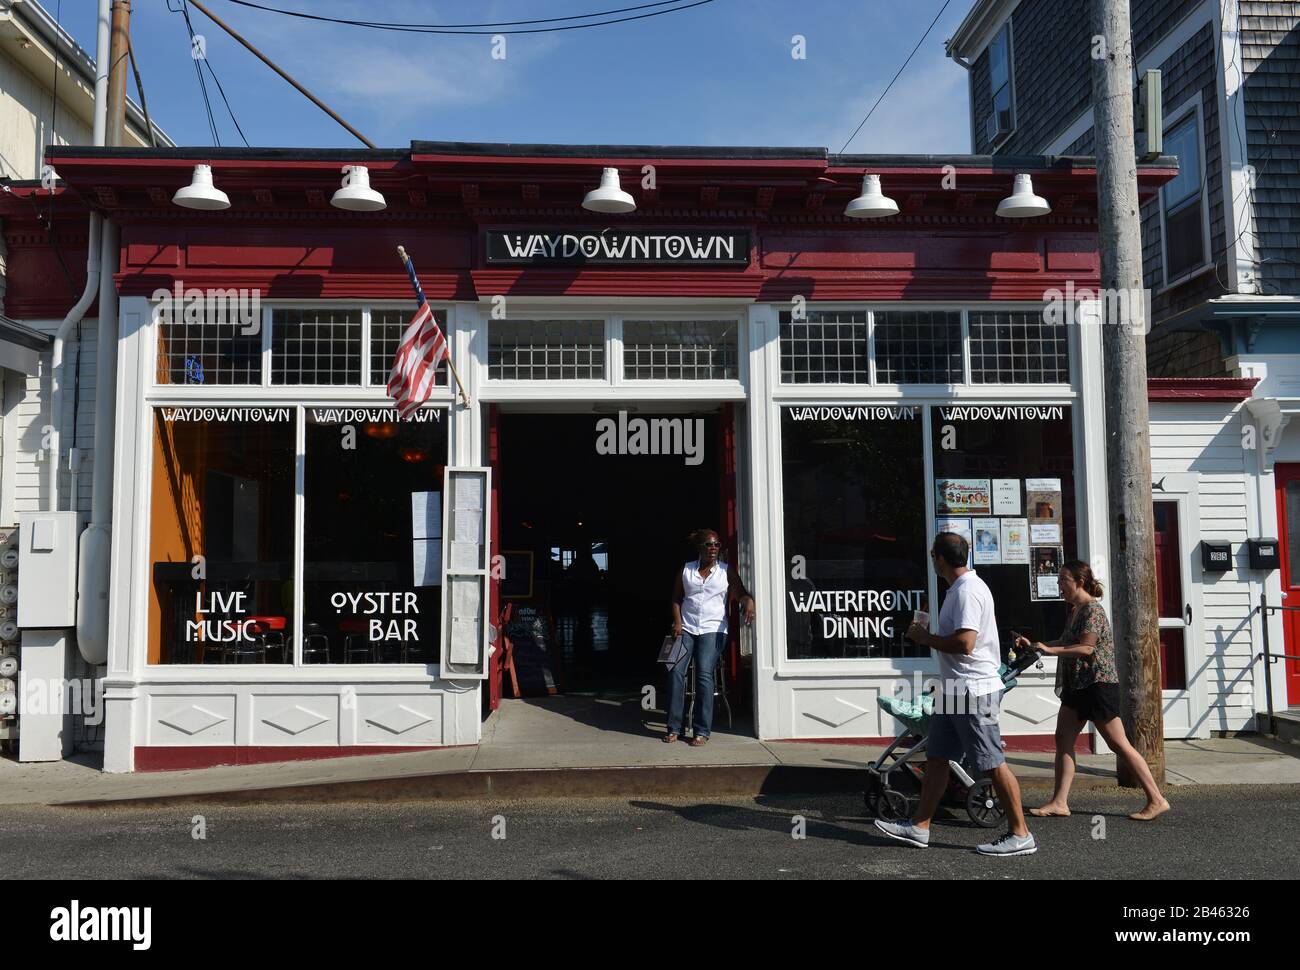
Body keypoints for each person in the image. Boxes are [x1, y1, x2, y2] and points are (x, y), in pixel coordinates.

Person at [875, 532, 1037, 857]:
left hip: (974, 691)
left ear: (940, 559)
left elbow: (966, 643)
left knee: (992, 762)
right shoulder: (958, 589)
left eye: (933, 556)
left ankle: (1021, 834)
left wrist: (927, 638)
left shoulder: (968, 592)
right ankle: (920, 827)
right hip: (954, 689)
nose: (932, 561)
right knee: (937, 758)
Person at [1015, 560, 1170, 821]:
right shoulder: (1076, 610)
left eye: (1063, 579)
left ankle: (1156, 799)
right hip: (1078, 685)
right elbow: (1066, 643)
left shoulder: (1093, 611)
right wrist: (1037, 646)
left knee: (1118, 744)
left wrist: (1051, 650)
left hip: (1097, 685)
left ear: (1080, 582)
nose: (1059, 585)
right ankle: (1059, 802)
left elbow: (1086, 648)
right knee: (1063, 738)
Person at [665, 529, 755, 746]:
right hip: (686, 628)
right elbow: (676, 598)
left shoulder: (726, 571)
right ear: (699, 548)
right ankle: (674, 727)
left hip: (713, 629)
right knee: (675, 671)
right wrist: (678, 622)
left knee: (705, 673)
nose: (714, 548)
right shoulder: (686, 570)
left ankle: (701, 730)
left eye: (716, 545)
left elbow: (740, 592)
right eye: (709, 545)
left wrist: (748, 601)